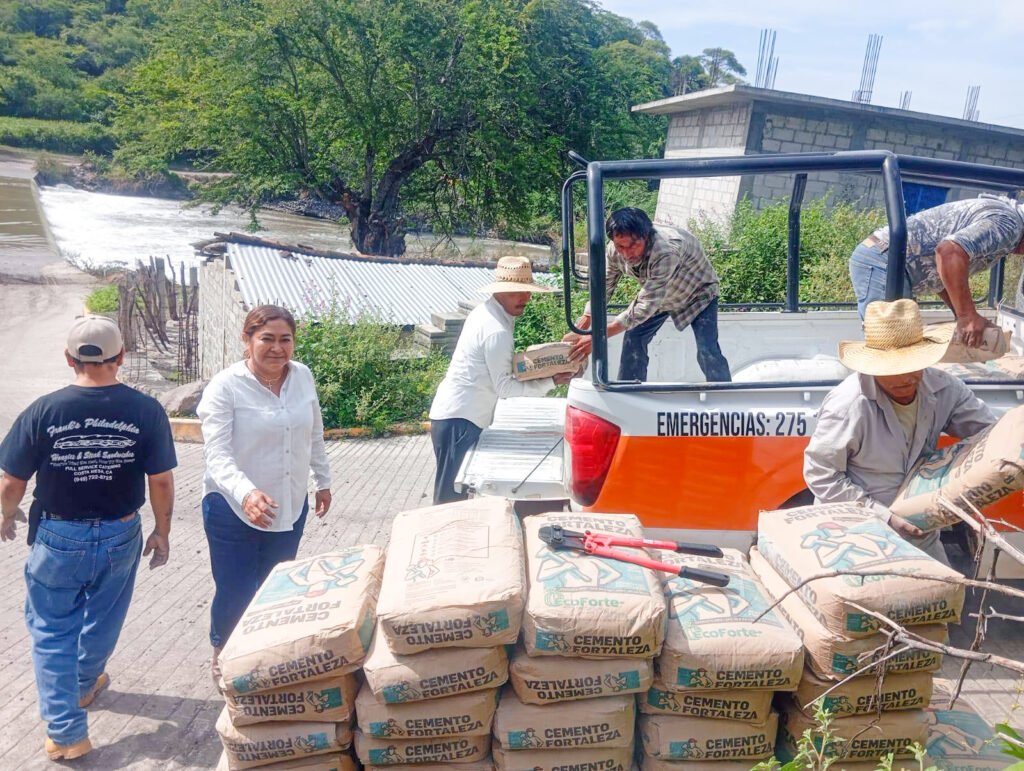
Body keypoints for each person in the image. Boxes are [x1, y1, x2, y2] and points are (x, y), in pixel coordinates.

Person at [0, 315, 176, 761]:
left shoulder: (44, 410)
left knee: (52, 629)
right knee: (105, 613)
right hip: (121, 532)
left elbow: (10, 482)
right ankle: (83, 681)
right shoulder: (146, 410)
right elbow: (161, 480)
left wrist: (5, 514)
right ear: (122, 356)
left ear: (68, 358)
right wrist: (162, 531)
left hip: (59, 536)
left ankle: (66, 733)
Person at [804, 299, 995, 565]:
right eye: (894, 370)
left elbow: (989, 432)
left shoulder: (945, 388)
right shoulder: (848, 405)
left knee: (940, 587)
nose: (906, 378)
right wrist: (884, 517)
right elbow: (821, 474)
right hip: (856, 532)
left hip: (921, 530)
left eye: (912, 367)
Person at [196, 304, 331, 676]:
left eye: (285, 339)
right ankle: (224, 653)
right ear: (247, 339)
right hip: (231, 508)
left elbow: (314, 432)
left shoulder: (302, 376)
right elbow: (217, 455)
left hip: (289, 503)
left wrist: (323, 480)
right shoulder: (226, 386)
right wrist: (246, 493)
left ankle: (263, 654)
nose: (277, 348)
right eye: (266, 339)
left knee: (277, 587)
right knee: (236, 590)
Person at [429, 256, 576, 504]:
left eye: (527, 291)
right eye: (516, 292)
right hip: (459, 419)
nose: (525, 298)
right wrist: (551, 381)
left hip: (457, 415)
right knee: (449, 501)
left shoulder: (486, 312)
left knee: (455, 496)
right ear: (500, 291)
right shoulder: (496, 329)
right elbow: (505, 388)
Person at [563, 207, 730, 382]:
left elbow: (645, 305)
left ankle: (723, 393)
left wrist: (598, 338)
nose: (626, 253)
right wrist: (586, 320)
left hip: (697, 293)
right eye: (621, 246)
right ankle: (629, 391)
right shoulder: (614, 250)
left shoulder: (666, 250)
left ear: (646, 236)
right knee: (633, 337)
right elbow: (604, 286)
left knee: (707, 350)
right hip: (659, 296)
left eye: (633, 245)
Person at [849, 195, 1024, 345]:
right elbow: (948, 252)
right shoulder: (1009, 224)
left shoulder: (1004, 218)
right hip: (884, 258)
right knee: (892, 347)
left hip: (885, 257)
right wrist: (967, 315)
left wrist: (962, 315)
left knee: (900, 347)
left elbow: (940, 274)